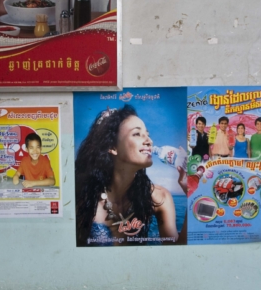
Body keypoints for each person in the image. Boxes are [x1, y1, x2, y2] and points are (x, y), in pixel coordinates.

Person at [75, 105, 187, 246]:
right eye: (137, 134)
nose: (149, 141)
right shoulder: (83, 197)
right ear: (113, 147)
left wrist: (192, 196)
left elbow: (176, 251)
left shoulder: (160, 197)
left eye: (147, 134)